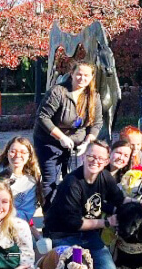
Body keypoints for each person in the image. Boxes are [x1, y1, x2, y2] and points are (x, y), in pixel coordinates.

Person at [42, 141, 123, 269]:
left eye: (100, 158)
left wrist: (141, 204)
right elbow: (75, 223)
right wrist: (106, 222)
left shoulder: (105, 177)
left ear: (106, 162)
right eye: (91, 156)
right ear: (83, 157)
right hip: (66, 236)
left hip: (89, 236)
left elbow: (120, 200)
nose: (95, 161)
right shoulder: (71, 183)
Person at [35, 63, 103, 201]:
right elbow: (43, 117)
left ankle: (71, 212)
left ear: (91, 77)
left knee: (77, 179)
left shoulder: (94, 96)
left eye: (86, 75)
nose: (82, 78)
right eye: (79, 74)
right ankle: (50, 216)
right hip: (49, 141)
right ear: (72, 73)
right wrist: (60, 137)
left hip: (78, 143)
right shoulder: (58, 91)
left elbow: (97, 123)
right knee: (50, 180)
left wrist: (87, 142)